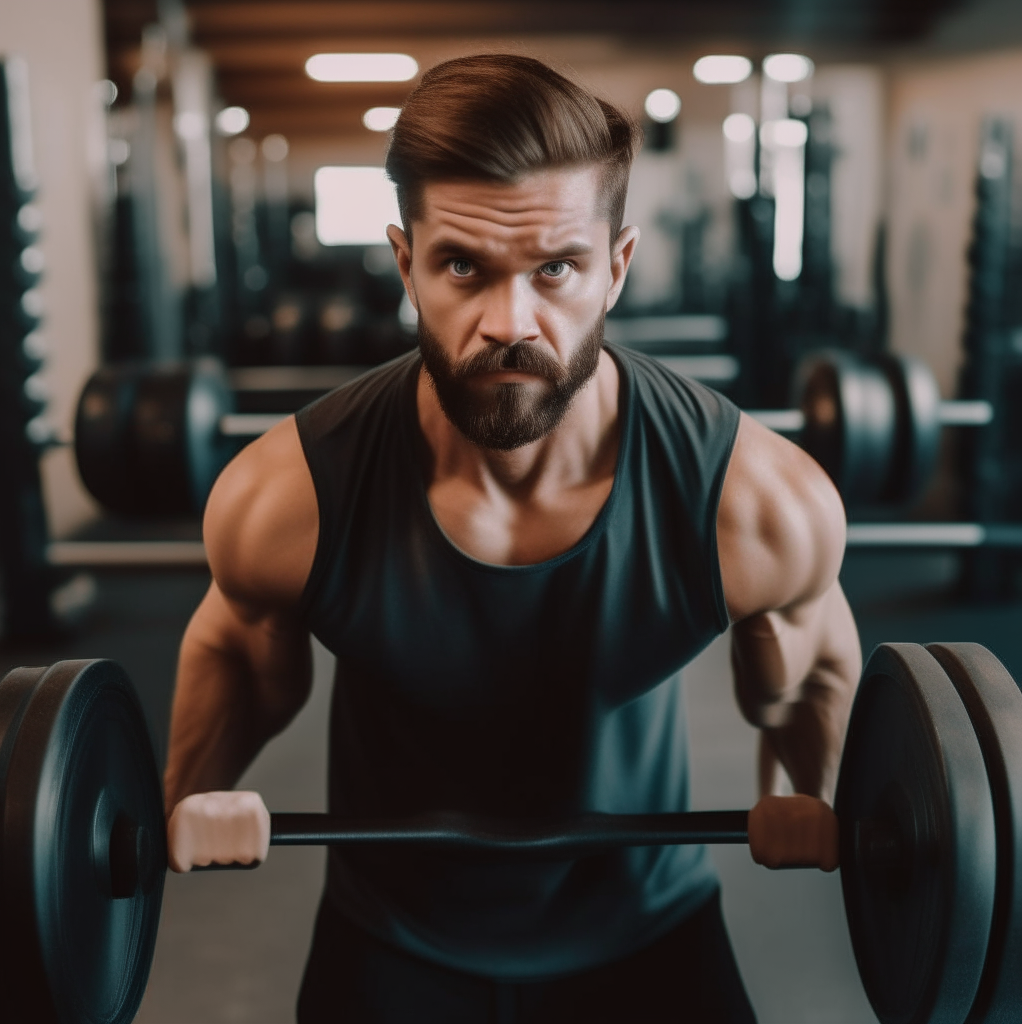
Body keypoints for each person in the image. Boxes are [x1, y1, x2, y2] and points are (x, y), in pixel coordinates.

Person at [163, 54, 861, 1023]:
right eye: (462, 267)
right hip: (391, 935)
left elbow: (809, 666)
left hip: (646, 930)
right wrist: (178, 806)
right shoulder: (289, 497)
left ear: (616, 266)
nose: (509, 321)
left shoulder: (753, 502)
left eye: (556, 268)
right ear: (405, 261)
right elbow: (238, 655)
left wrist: (806, 788)